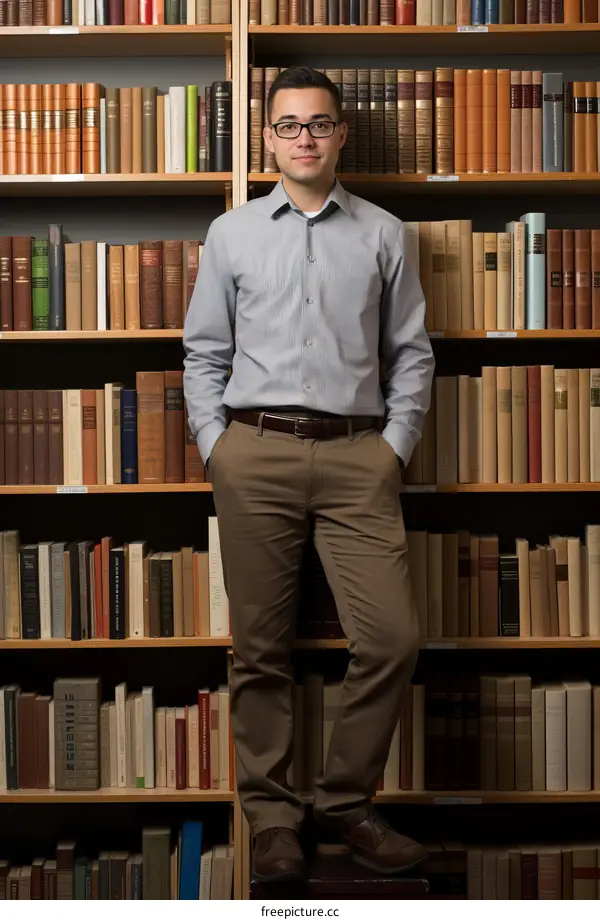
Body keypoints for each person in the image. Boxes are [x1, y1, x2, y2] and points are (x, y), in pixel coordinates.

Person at [183, 65, 435, 883]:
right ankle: (273, 821)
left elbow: (411, 354)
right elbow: (205, 352)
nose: (303, 139)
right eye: (288, 125)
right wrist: (215, 442)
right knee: (259, 650)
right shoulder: (232, 235)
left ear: (341, 135)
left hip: (360, 456)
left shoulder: (385, 234)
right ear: (265, 138)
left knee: (393, 637)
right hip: (253, 453)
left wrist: (394, 445)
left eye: (318, 124)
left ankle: (345, 803)